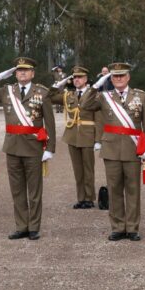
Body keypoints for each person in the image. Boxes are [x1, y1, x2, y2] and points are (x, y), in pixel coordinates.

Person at [0, 57, 56, 241]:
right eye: (19, 70)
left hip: (33, 147)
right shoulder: (7, 91)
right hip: (12, 147)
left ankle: (34, 227)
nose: (22, 73)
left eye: (26, 70)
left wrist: (50, 148)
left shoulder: (42, 93)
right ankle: (21, 226)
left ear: (32, 73)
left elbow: (50, 124)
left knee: (34, 191)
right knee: (17, 190)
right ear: (15, 73)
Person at [91, 62, 145, 240]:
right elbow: (85, 104)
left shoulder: (140, 96)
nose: (118, 79)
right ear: (110, 78)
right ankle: (118, 227)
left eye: (121, 75)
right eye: (115, 76)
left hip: (133, 149)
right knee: (114, 190)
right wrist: (96, 85)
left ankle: (132, 228)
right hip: (111, 149)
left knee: (133, 190)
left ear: (128, 77)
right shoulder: (104, 97)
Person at [50, 66, 98, 210]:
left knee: (88, 168)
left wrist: (98, 139)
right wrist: (60, 83)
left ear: (86, 79)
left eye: (80, 77)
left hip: (88, 134)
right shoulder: (68, 95)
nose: (77, 80)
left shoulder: (93, 94)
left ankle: (89, 198)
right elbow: (50, 97)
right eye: (75, 77)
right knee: (77, 169)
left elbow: (99, 117)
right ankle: (81, 198)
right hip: (72, 136)